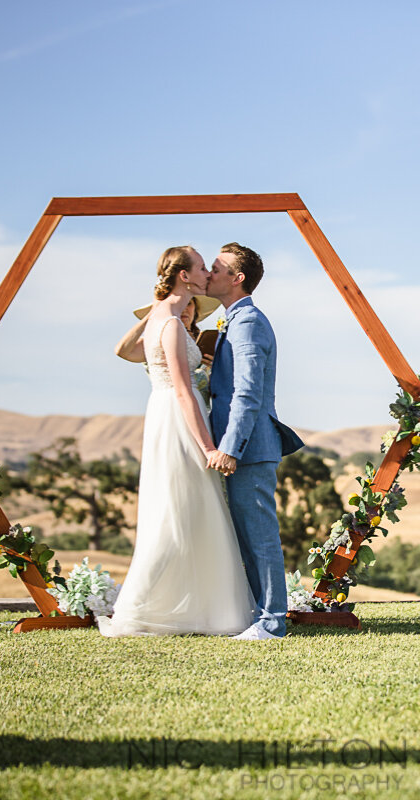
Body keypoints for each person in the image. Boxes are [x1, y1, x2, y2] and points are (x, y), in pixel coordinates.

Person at [97, 245, 260, 637]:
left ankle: (194, 608)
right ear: (184, 276)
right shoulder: (169, 324)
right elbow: (184, 392)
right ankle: (142, 608)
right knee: (178, 510)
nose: (208, 273)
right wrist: (208, 448)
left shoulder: (167, 320)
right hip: (177, 418)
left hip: (166, 415)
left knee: (187, 509)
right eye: (202, 267)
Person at [205, 242, 303, 640]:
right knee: (246, 534)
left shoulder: (247, 322)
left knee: (260, 534)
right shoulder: (233, 320)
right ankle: (257, 614)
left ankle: (272, 622)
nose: (209, 274)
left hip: (250, 447)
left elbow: (247, 393)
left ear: (237, 277)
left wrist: (229, 447)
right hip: (243, 446)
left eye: (216, 268)